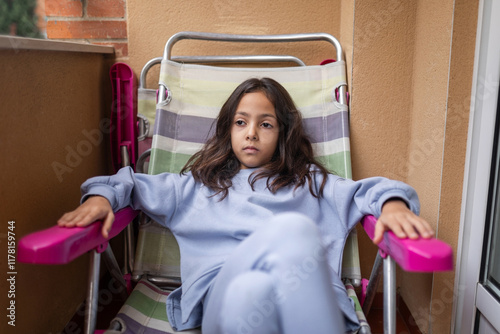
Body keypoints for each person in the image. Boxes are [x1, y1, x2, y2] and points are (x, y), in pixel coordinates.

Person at [58, 77, 434, 334]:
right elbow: (125, 183)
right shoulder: (196, 186)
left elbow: (374, 190)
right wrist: (100, 198)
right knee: (278, 251)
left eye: (266, 124)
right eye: (241, 122)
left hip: (302, 297)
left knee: (256, 285)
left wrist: (394, 206)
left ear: (284, 132)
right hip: (221, 295)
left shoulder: (315, 186)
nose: (251, 132)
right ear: (229, 130)